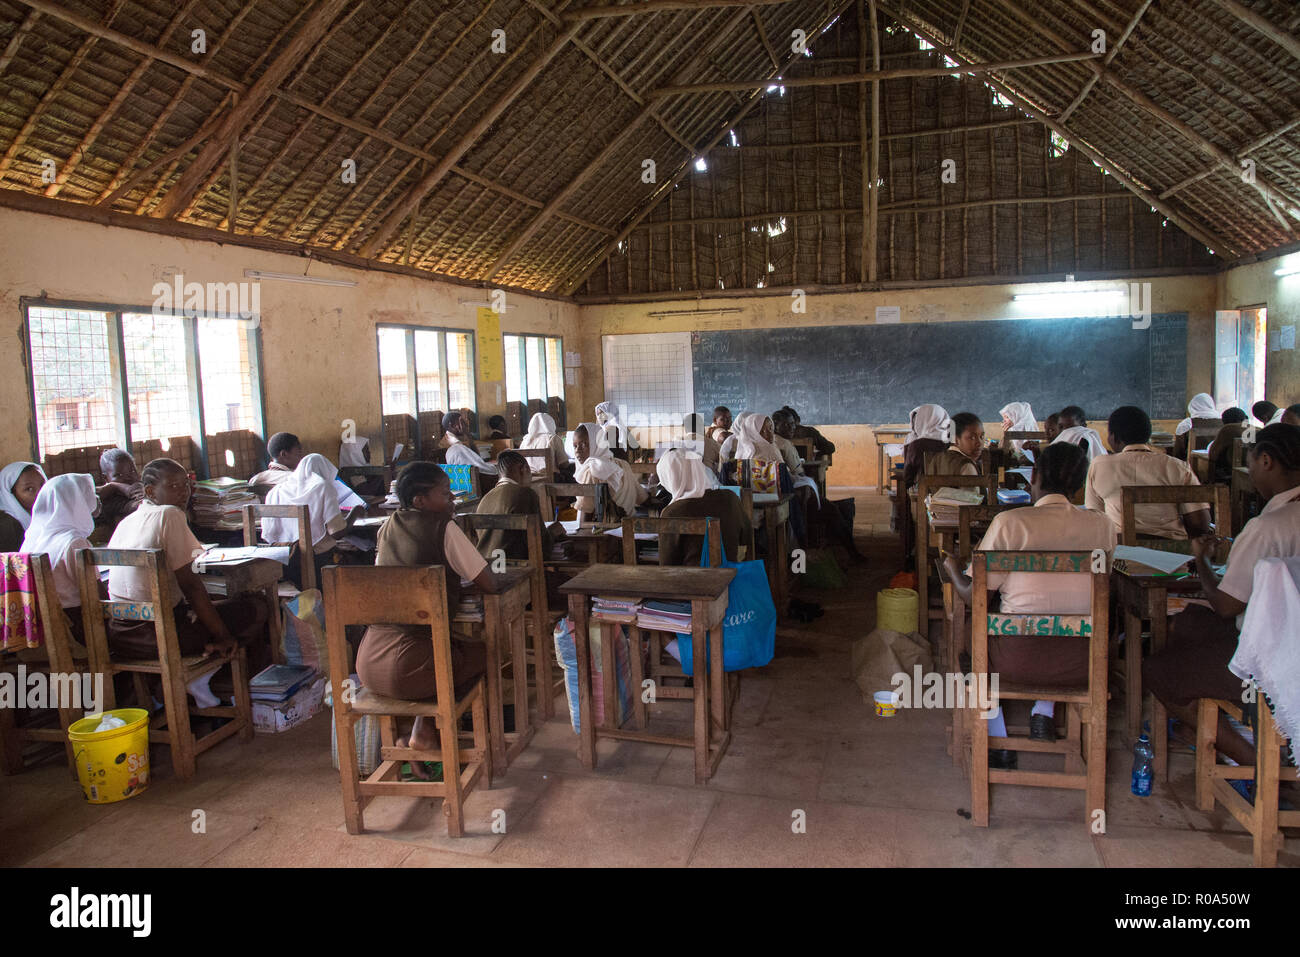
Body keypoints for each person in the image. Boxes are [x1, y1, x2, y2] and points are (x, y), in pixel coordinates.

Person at [943, 443, 1116, 769]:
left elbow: (972, 594)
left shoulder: (1011, 523)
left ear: (1032, 476)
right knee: (1062, 613)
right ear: (1080, 486)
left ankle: (996, 738)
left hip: (1015, 660)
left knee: (969, 631)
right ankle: (1044, 710)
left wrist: (952, 568)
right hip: (1085, 663)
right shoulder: (1103, 525)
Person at [1143, 423, 1300, 767]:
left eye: (1253, 461)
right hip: (1287, 644)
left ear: (1268, 461)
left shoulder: (1267, 527)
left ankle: (1260, 764)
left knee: (1157, 669)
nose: (1251, 472)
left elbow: (1226, 606)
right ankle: (1214, 730)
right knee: (1188, 626)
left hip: (1272, 659)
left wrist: (1201, 560)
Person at [355, 462, 499, 776]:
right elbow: (488, 582)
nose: (452, 501)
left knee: (444, 651)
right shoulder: (443, 526)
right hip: (410, 668)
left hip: (368, 665)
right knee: (480, 652)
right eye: (446, 495)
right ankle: (443, 732)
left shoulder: (388, 525)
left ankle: (423, 732)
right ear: (421, 501)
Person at [106, 458, 267, 704]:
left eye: (186, 485)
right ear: (150, 491)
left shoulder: (125, 523)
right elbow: (191, 586)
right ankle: (205, 680)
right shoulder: (169, 514)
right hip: (161, 635)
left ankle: (178, 690)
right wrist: (222, 635)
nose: (184, 492)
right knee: (255, 606)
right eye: (173, 486)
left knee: (213, 608)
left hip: (121, 635)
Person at [1084, 406, 1211, 540]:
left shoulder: (1099, 465)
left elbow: (1095, 519)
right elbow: (1200, 524)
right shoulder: (1178, 467)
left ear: (1114, 438)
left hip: (1121, 552)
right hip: (1172, 554)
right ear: (1148, 435)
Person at [20, 473, 98, 647]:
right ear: (79, 503)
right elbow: (96, 595)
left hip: (39, 630)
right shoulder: (74, 541)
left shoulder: (31, 540)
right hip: (76, 628)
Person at [263, 453, 364, 586]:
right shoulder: (323, 487)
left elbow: (267, 534)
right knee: (361, 562)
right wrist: (355, 513)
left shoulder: (275, 491)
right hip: (316, 560)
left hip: (282, 561)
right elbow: (337, 533)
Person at [656, 449, 750, 566]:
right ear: (699, 469)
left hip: (690, 582)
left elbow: (667, 564)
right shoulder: (731, 498)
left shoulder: (671, 513)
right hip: (730, 578)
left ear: (669, 478)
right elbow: (746, 537)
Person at [473, 451, 562, 561]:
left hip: (487, 570)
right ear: (523, 469)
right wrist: (553, 532)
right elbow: (541, 547)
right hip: (516, 570)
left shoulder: (484, 500)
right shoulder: (526, 494)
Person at [571, 422, 648, 521]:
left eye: (583, 444)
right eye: (575, 446)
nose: (578, 450)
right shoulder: (624, 464)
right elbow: (642, 498)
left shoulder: (592, 471)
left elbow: (584, 517)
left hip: (606, 531)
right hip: (629, 527)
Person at [0, 461, 47, 552]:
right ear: (11, 495)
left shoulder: (54, 516)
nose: (41, 493)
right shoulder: (8, 527)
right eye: (29, 489)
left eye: (43, 485)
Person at [901, 404, 951, 489]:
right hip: (955, 487)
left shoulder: (917, 445)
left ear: (922, 421)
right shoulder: (956, 440)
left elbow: (909, 473)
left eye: (917, 421)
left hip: (926, 489)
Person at [96, 448, 145, 535]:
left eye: (132, 471)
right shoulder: (111, 500)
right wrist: (123, 488)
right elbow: (144, 504)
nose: (128, 478)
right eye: (118, 475)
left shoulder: (141, 485)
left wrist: (115, 485)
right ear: (106, 478)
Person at [929, 412, 985, 476]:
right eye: (972, 438)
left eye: (982, 437)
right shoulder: (967, 466)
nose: (979, 443)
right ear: (955, 440)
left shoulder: (936, 460)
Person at [520, 411, 570, 479]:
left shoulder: (525, 440)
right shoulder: (552, 438)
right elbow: (564, 464)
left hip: (528, 478)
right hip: (550, 478)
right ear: (551, 424)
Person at [1206, 407, 1249, 484]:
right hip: (1249, 469)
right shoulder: (1254, 428)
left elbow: (1213, 454)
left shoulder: (1227, 429)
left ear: (1224, 421)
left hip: (1229, 472)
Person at [1172, 393, 1219, 459]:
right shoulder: (1223, 422)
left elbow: (1178, 452)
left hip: (1190, 465)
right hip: (1216, 464)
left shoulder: (1187, 423)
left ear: (1192, 406)